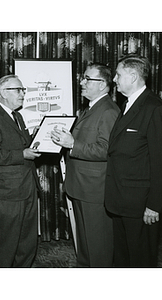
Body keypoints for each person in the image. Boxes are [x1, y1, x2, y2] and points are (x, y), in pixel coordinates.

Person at [51, 63, 120, 267]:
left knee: (99, 248)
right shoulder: (91, 108)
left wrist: (72, 143)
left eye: (88, 79)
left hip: (95, 191)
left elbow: (106, 150)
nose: (82, 82)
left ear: (102, 84)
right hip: (82, 187)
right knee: (85, 245)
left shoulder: (108, 111)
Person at [104, 54, 162, 267]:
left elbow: (159, 161)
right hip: (121, 199)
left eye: (118, 75)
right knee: (122, 258)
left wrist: (154, 205)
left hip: (140, 205)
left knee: (141, 261)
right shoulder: (128, 104)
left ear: (133, 75)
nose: (115, 80)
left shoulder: (154, 107)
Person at [0, 74, 41, 267]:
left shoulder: (18, 116)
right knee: (8, 243)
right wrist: (22, 154)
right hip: (8, 192)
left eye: (23, 90)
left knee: (27, 241)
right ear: (2, 93)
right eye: (17, 90)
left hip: (27, 187)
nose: (22, 94)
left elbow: (19, 144)